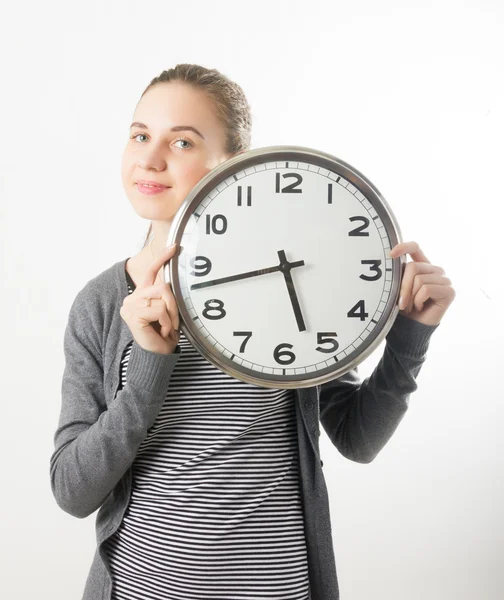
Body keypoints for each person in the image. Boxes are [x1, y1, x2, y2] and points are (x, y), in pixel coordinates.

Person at [49, 64, 456, 600]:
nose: (150, 158)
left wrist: (409, 335)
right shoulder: (102, 303)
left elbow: (356, 438)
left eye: (183, 141)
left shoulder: (295, 290)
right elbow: (73, 491)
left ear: (233, 166)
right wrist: (148, 367)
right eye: (140, 135)